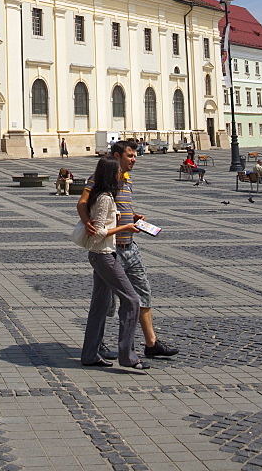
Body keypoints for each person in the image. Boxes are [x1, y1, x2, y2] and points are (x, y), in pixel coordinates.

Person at [77, 138, 179, 361]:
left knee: (142, 292)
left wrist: (133, 217)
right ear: (116, 157)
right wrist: (87, 223)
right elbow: (82, 203)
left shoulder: (127, 179)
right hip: (110, 249)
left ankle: (151, 343)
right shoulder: (100, 178)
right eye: (130, 156)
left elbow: (119, 208)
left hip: (130, 245)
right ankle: (100, 345)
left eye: (135, 155)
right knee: (106, 301)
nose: (134, 159)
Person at [80, 156, 148, 371]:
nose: (122, 174)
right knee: (131, 300)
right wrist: (124, 229)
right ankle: (127, 355)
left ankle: (90, 354)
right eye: (118, 171)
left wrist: (128, 218)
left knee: (99, 305)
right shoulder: (105, 198)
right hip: (103, 255)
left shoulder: (106, 196)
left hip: (102, 254)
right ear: (111, 173)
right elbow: (98, 233)